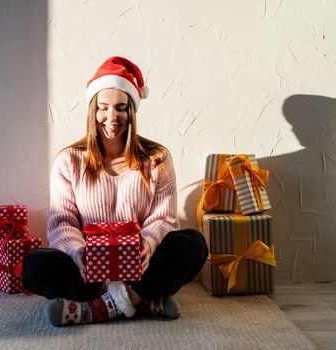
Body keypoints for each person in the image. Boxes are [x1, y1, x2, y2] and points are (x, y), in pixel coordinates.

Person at [22, 56, 208, 326]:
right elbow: (62, 223)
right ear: (92, 111)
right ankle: (143, 300)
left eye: (121, 108)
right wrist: (78, 253)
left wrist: (148, 243)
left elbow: (164, 219)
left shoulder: (157, 158)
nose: (112, 118)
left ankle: (97, 309)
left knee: (193, 243)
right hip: (88, 274)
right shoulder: (69, 160)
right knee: (34, 265)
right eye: (103, 108)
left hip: (139, 269)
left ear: (131, 111)